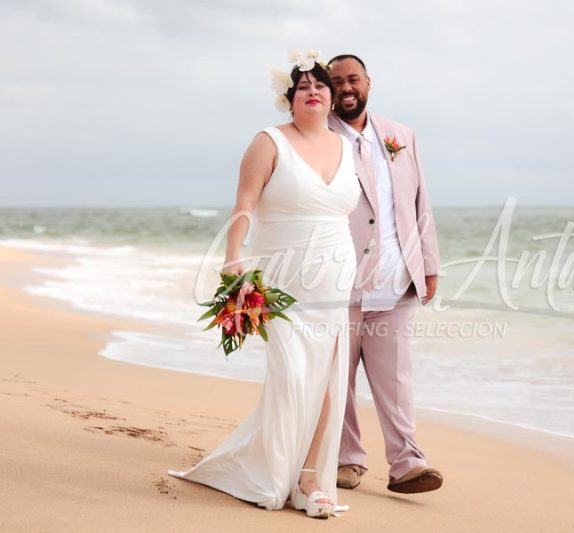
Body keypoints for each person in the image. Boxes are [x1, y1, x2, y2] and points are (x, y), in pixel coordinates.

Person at [167, 50, 361, 519]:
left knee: (331, 380)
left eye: (320, 85)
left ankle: (311, 478)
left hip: (335, 273)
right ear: (289, 98)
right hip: (284, 276)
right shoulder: (268, 142)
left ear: (332, 98)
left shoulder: (347, 146)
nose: (312, 91)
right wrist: (234, 259)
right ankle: (274, 469)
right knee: (293, 375)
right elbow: (245, 202)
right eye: (303, 87)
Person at [326, 54, 443, 494]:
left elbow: (421, 204)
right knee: (339, 378)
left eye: (352, 79)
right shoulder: (320, 139)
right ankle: (346, 460)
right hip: (340, 281)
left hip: (397, 280)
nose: (345, 88)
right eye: (336, 82)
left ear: (369, 83)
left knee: (396, 380)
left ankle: (407, 463)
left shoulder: (401, 135)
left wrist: (429, 264)